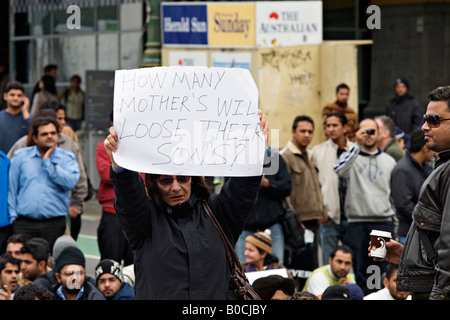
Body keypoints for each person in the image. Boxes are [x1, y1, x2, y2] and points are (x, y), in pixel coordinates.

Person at [103, 110, 268, 299]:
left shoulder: (218, 214)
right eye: (165, 181)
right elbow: (129, 197)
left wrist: (255, 148)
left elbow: (243, 189)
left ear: (193, 178)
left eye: (182, 178)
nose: (175, 187)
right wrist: (120, 163)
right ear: (153, 185)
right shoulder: (144, 224)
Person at [375, 86, 450, 300]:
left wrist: (441, 294)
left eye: (434, 120)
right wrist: (407, 254)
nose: (424, 127)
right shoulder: (442, 165)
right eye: (425, 119)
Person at [334, 118, 396, 295]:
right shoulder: (351, 157)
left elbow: (393, 196)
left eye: (372, 131)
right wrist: (355, 145)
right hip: (357, 222)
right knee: (360, 270)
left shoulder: (389, 161)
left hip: (381, 222)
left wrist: (395, 225)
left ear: (379, 134)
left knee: (380, 268)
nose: (368, 136)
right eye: (364, 131)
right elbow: (339, 170)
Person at [8, 106, 88, 241]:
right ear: (35, 138)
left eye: (53, 133)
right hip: (23, 224)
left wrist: (49, 165)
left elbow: (71, 182)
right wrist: (13, 217)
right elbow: (11, 189)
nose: (49, 136)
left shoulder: (67, 157)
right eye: (44, 134)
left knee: (53, 262)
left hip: (55, 223)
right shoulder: (21, 156)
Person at [280, 115, 327, 271]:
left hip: (314, 220)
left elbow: (317, 185)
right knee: (298, 268)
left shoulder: (311, 154)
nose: (307, 135)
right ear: (293, 132)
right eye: (303, 131)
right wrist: (293, 219)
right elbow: (285, 193)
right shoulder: (285, 157)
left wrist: (322, 210)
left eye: (310, 131)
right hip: (298, 223)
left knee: (312, 266)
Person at [235, 147, 292, 263]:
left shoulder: (275, 159)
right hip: (245, 229)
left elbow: (287, 187)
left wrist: (268, 184)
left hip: (272, 228)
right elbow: (229, 193)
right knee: (242, 272)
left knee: (275, 272)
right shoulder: (238, 160)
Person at [312, 111, 355, 263]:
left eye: (335, 125)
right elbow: (314, 185)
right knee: (328, 263)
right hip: (329, 217)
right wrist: (320, 211)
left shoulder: (355, 151)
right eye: (328, 125)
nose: (330, 129)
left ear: (344, 128)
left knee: (353, 264)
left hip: (353, 218)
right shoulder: (318, 152)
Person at [95, 110, 133, 266]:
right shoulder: (102, 147)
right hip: (111, 213)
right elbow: (106, 175)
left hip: (134, 213)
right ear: (111, 123)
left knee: (136, 266)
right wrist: (130, 172)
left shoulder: (138, 149)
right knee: (110, 264)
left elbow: (145, 178)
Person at [390, 130, 434, 244]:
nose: (434, 153)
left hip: (425, 231)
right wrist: (427, 219)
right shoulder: (402, 170)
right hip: (409, 234)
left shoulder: (426, 168)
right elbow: (403, 204)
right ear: (425, 148)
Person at [0, 81, 31, 154]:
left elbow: (34, 135)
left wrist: (25, 112)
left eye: (19, 95)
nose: (15, 98)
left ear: (24, 98)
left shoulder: (29, 117)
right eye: (12, 95)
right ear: (5, 96)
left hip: (23, 161)